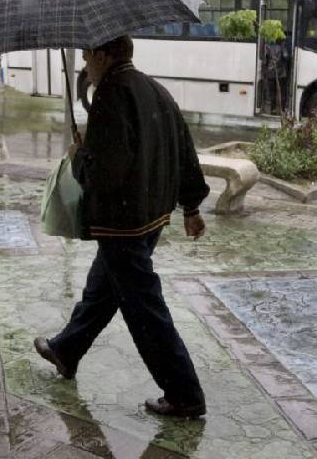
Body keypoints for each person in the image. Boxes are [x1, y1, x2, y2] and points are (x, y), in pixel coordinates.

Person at [34, 35, 210, 418]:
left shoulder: (112, 94)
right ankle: (67, 349)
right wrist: (191, 205)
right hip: (152, 218)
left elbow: (106, 175)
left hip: (123, 223)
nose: (84, 66)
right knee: (104, 287)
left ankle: (184, 393)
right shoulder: (154, 87)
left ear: (101, 54)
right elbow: (185, 149)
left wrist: (79, 158)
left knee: (144, 307)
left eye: (86, 57)